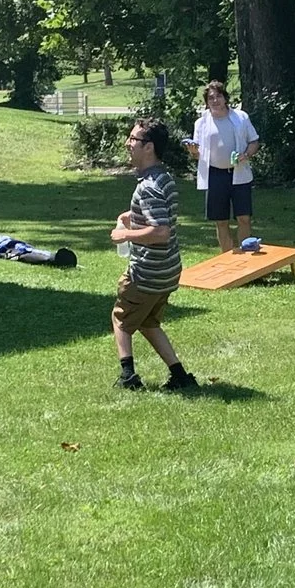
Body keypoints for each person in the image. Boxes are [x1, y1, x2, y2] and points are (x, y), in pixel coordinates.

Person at [109, 118, 196, 392]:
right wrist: (132, 216)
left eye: (133, 139)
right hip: (169, 271)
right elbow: (160, 216)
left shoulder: (147, 187)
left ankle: (128, 377)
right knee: (148, 322)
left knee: (121, 320)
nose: (128, 143)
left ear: (149, 147)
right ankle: (180, 375)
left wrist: (125, 234)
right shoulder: (163, 178)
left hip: (148, 272)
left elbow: (161, 232)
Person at [184, 79, 262, 253]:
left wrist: (246, 155)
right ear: (206, 102)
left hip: (239, 173)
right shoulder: (201, 123)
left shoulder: (240, 117)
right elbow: (198, 154)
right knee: (221, 221)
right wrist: (193, 151)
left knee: (244, 218)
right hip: (215, 175)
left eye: (218, 96)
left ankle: (246, 255)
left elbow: (254, 141)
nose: (215, 100)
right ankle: (228, 259)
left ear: (225, 98)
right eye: (211, 98)